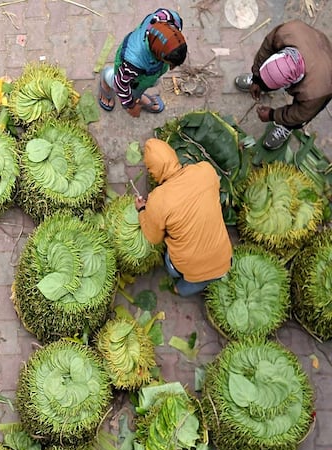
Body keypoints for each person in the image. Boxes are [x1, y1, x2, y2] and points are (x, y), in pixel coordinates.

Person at [135, 139, 232, 297]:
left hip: (190, 266)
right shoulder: (206, 171)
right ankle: (209, 279)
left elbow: (154, 238)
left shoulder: (158, 200)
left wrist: (142, 210)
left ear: (153, 171)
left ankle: (179, 289)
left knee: (172, 266)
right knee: (210, 272)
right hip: (224, 257)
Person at [234, 20, 332, 150]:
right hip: (311, 40)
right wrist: (257, 78)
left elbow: (299, 114)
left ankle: (286, 127)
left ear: (289, 85)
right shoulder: (286, 32)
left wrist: (272, 115)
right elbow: (266, 49)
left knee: (298, 119)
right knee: (265, 76)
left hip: (325, 71)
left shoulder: (316, 92)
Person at [98, 7, 187, 117]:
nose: (171, 68)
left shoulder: (171, 19)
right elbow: (120, 85)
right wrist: (130, 107)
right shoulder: (133, 63)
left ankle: (137, 95)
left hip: (149, 70)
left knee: (150, 82)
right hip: (130, 67)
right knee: (119, 82)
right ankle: (105, 79)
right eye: (169, 63)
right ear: (158, 52)